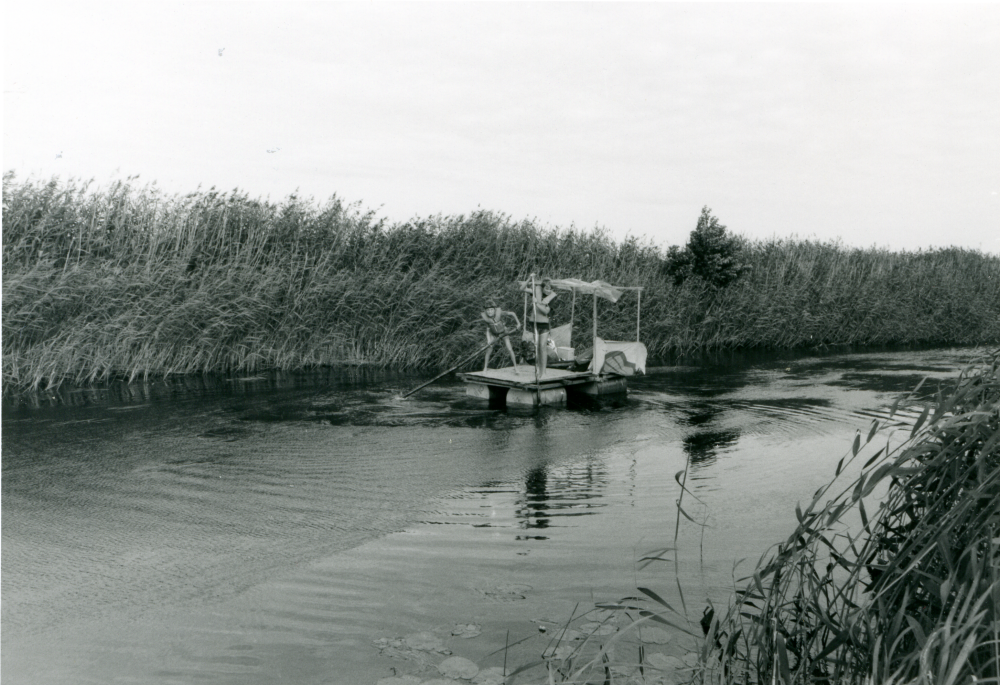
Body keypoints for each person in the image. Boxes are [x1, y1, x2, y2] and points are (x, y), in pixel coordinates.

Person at [523, 274, 558, 377]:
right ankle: (539, 370)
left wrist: (536, 303)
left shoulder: (552, 297)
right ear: (543, 287)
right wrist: (529, 278)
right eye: (546, 288)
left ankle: (544, 372)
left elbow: (546, 311)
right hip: (534, 322)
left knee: (542, 346)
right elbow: (522, 288)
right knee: (537, 347)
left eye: (550, 288)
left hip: (544, 324)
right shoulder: (536, 291)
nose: (548, 290)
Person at [480, 298, 521, 373]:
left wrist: (518, 323)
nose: (489, 312)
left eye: (491, 310)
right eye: (488, 310)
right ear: (485, 311)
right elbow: (488, 330)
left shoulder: (500, 313)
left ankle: (516, 367)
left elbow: (512, 313)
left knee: (509, 349)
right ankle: (485, 368)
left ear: (494, 309)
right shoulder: (485, 318)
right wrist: (489, 339)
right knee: (489, 349)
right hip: (493, 334)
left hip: (503, 332)